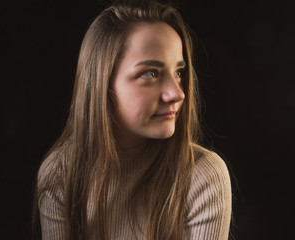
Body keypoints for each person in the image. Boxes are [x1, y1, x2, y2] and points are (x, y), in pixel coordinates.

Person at [34, 0, 232, 239]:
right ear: (102, 84)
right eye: (150, 73)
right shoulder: (60, 173)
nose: (177, 93)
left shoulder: (202, 176)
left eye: (179, 72)